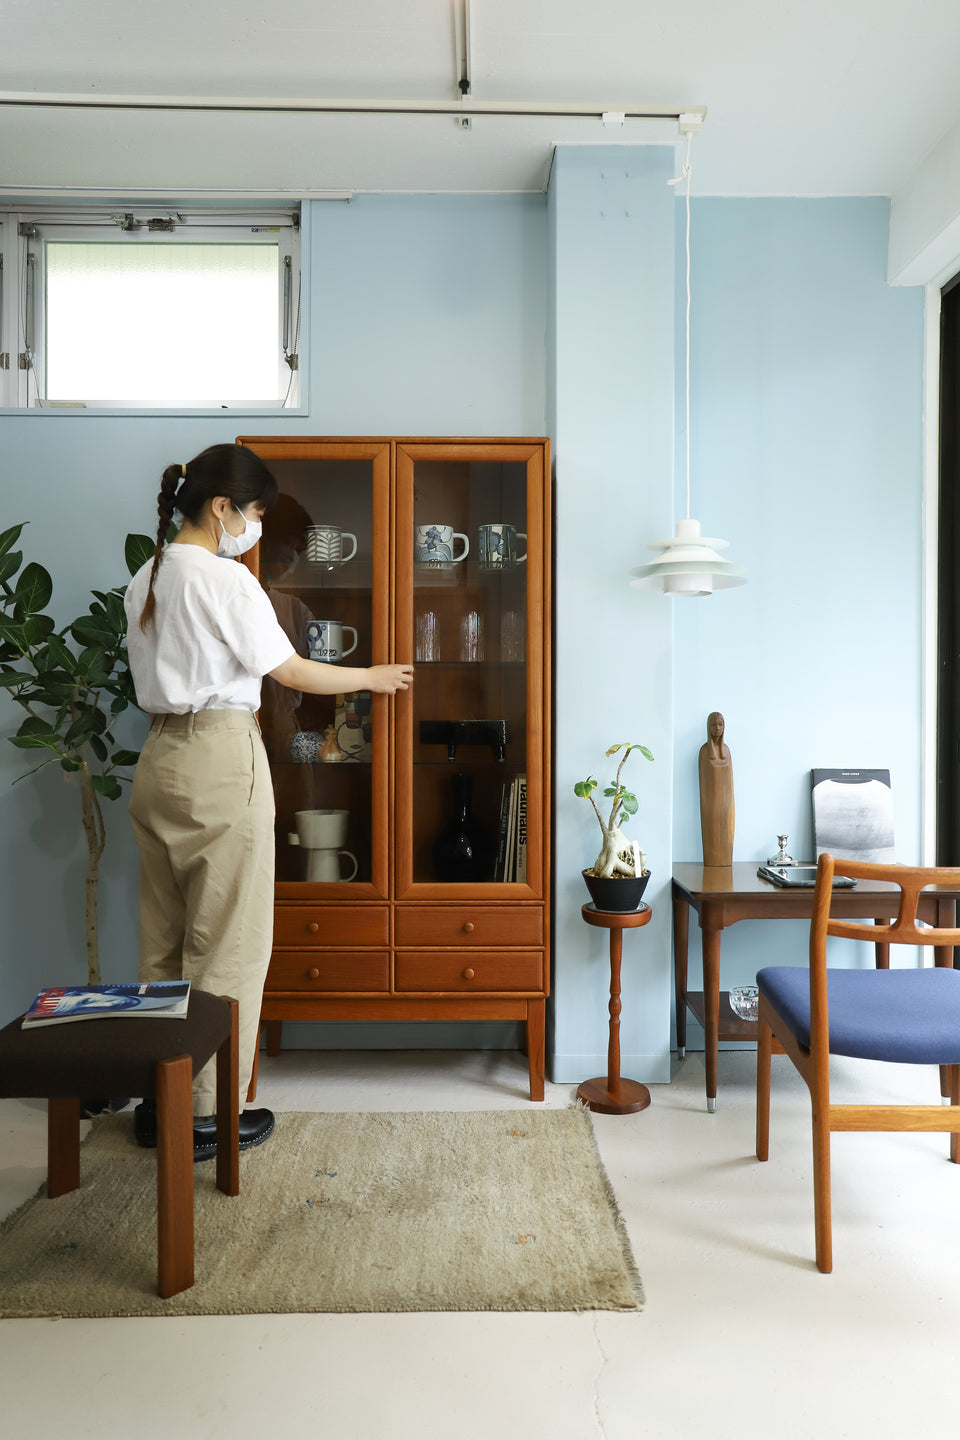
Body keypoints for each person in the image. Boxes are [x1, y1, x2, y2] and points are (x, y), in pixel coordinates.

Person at [123, 444, 412, 1160]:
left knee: (163, 944)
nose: (255, 527)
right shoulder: (227, 581)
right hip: (220, 759)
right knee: (228, 944)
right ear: (222, 507)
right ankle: (204, 1117)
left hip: (159, 761)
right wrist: (372, 676)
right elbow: (291, 671)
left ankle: (159, 1103)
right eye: (253, 512)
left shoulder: (147, 575)